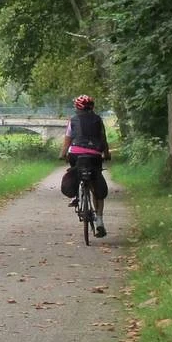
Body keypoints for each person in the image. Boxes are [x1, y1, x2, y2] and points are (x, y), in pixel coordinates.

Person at [60, 94, 110, 237]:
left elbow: (67, 141)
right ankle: (99, 222)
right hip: (94, 155)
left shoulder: (73, 120)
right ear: (92, 107)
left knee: (75, 169)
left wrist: (63, 154)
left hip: (76, 154)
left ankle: (75, 196)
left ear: (77, 108)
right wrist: (106, 154)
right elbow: (103, 139)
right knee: (96, 183)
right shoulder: (98, 120)